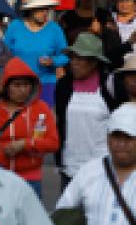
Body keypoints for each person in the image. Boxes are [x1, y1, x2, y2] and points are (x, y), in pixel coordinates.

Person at [55, 104, 136, 224]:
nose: (121, 144)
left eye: (129, 137)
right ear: (107, 138)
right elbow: (62, 212)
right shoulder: (89, 172)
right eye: (116, 136)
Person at [0, 57, 59, 194]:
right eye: (17, 85)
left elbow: (53, 143)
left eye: (26, 85)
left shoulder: (41, 108)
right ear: (6, 87)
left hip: (31, 179)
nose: (23, 90)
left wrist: (24, 144)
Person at [54, 32, 116, 187]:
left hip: (103, 169)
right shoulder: (63, 85)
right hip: (70, 167)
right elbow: (60, 121)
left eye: (80, 58)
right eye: (73, 58)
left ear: (94, 62)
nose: (74, 63)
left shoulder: (110, 84)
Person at [2, 0, 68, 106]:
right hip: (18, 85)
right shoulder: (15, 27)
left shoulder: (54, 29)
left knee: (41, 121)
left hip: (46, 84)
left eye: (46, 9)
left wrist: (52, 61)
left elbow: (65, 55)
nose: (45, 12)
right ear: (30, 10)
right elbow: (3, 53)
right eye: (40, 9)